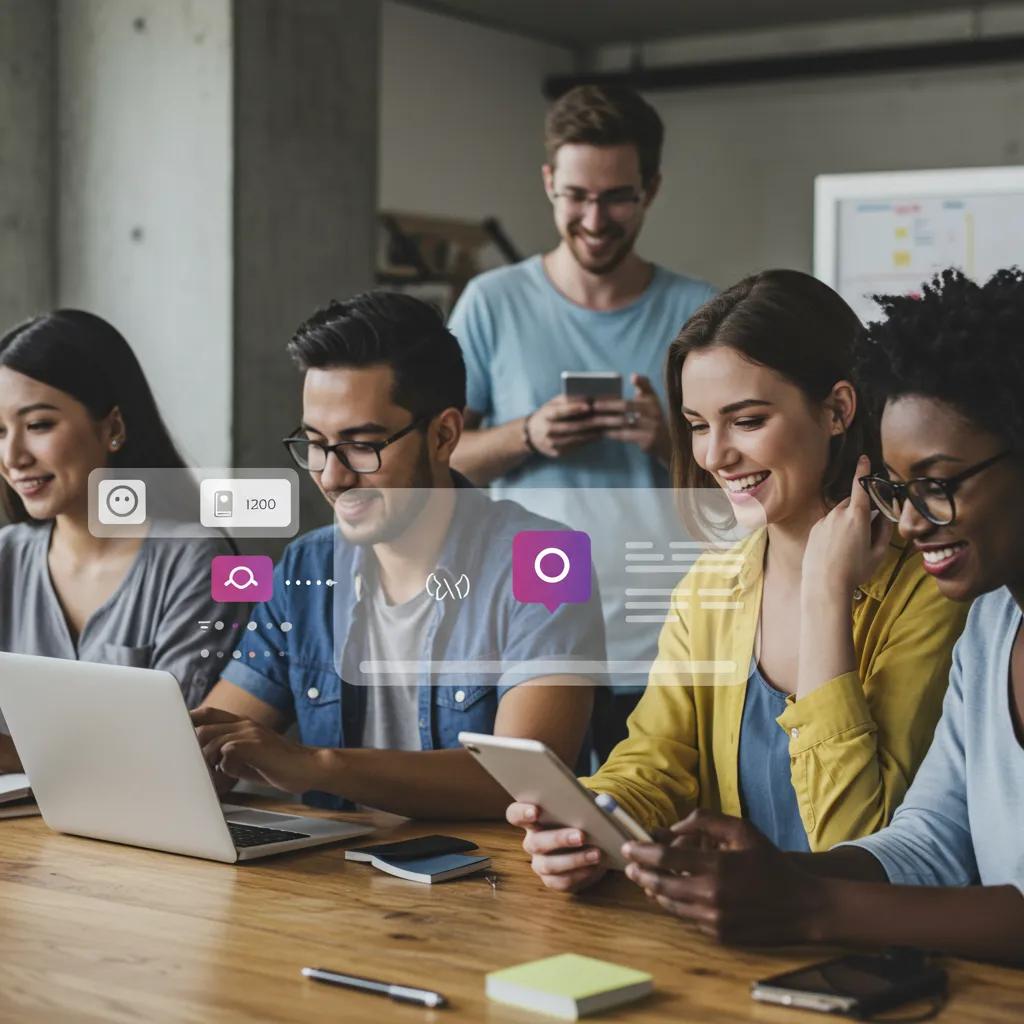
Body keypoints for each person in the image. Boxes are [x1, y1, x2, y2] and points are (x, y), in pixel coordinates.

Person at [508, 269, 970, 891]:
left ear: (837, 409)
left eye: (746, 421)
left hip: (877, 955)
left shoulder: (932, 593)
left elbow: (857, 846)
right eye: (698, 425)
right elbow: (655, 759)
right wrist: (592, 822)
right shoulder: (710, 587)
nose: (714, 455)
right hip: (729, 941)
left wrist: (825, 598)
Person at [619, 268, 1024, 964]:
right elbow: (927, 841)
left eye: (936, 485)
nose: (908, 524)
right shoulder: (991, 625)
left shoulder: (947, 600)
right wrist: (772, 877)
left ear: (838, 411)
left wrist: (809, 901)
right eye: (900, 489)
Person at [193, 292, 603, 817]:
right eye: (315, 444)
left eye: (363, 445)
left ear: (444, 434)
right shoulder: (306, 568)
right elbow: (213, 742)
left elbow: (522, 780)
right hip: (331, 884)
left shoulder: (548, 562)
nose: (332, 477)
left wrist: (316, 765)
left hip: (488, 885)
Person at [449, 84, 717, 754]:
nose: (595, 218)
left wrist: (669, 442)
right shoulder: (491, 303)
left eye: (617, 196)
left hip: (664, 639)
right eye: (577, 195)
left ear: (651, 189)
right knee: (524, 836)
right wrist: (526, 436)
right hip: (523, 632)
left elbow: (750, 485)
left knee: (657, 845)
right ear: (549, 184)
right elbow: (435, 460)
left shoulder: (704, 313)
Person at [0, 310, 236, 772]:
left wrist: (16, 754)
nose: (13, 457)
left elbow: (177, 750)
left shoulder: (203, 560)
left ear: (112, 428)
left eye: (39, 425)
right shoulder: (6, 554)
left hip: (161, 834)